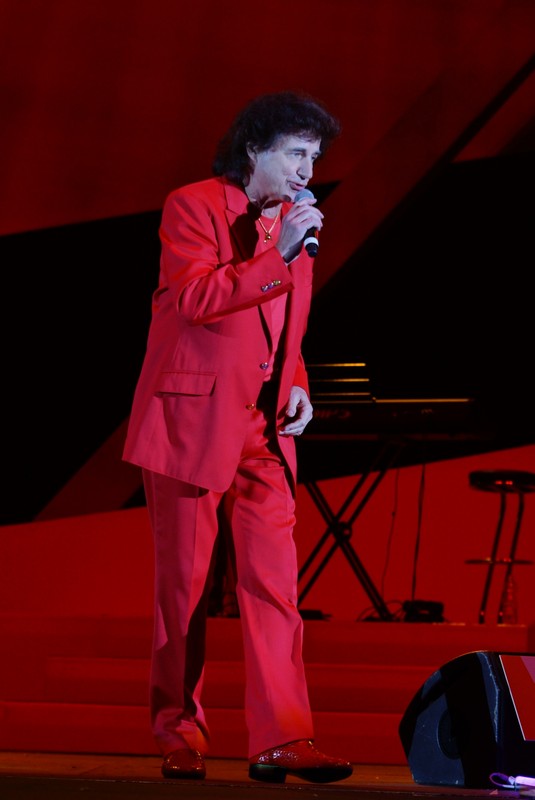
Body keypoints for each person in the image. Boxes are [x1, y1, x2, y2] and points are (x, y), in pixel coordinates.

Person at [122, 90, 352, 785]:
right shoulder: (192, 206)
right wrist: (277, 252)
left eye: (314, 157)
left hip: (264, 427)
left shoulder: (293, 223)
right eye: (295, 153)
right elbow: (194, 300)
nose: (307, 170)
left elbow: (286, 323)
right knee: (185, 591)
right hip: (191, 422)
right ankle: (179, 734)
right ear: (254, 149)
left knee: (275, 586)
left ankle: (282, 737)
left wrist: (297, 381)